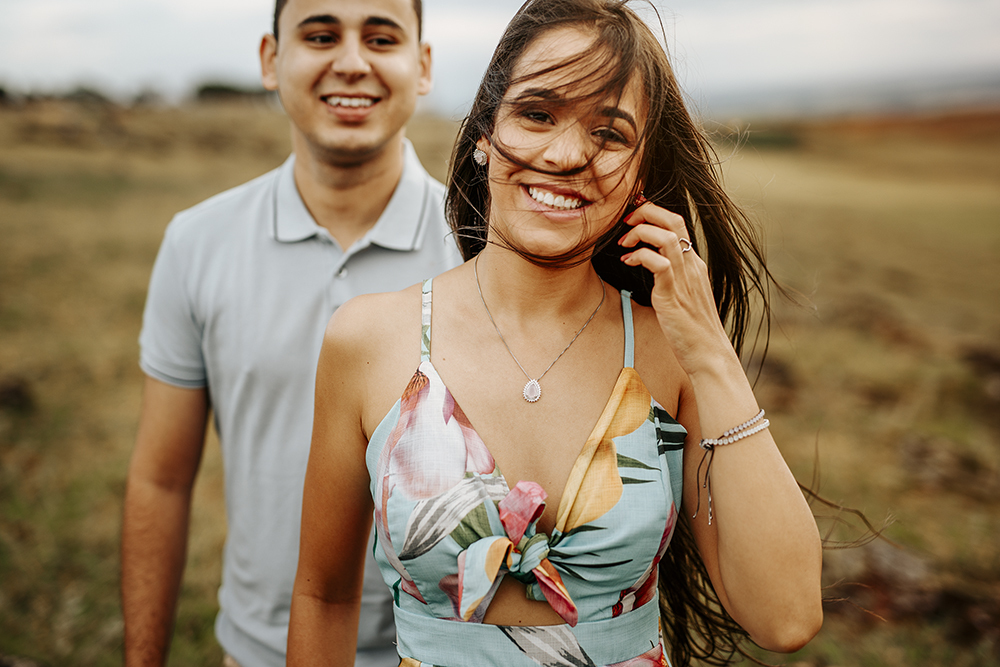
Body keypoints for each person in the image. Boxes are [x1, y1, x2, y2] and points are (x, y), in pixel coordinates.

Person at [288, 0, 824, 665]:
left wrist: (709, 348)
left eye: (610, 133)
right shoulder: (369, 340)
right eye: (537, 113)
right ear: (485, 131)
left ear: (639, 175)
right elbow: (324, 597)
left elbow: (788, 614)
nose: (567, 154)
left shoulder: (669, 354)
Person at [120, 0, 462, 665]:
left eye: (382, 36)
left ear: (421, 66)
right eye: (321, 34)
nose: (352, 62)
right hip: (255, 652)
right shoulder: (197, 243)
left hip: (444, 653)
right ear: (271, 61)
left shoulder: (481, 254)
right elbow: (160, 480)